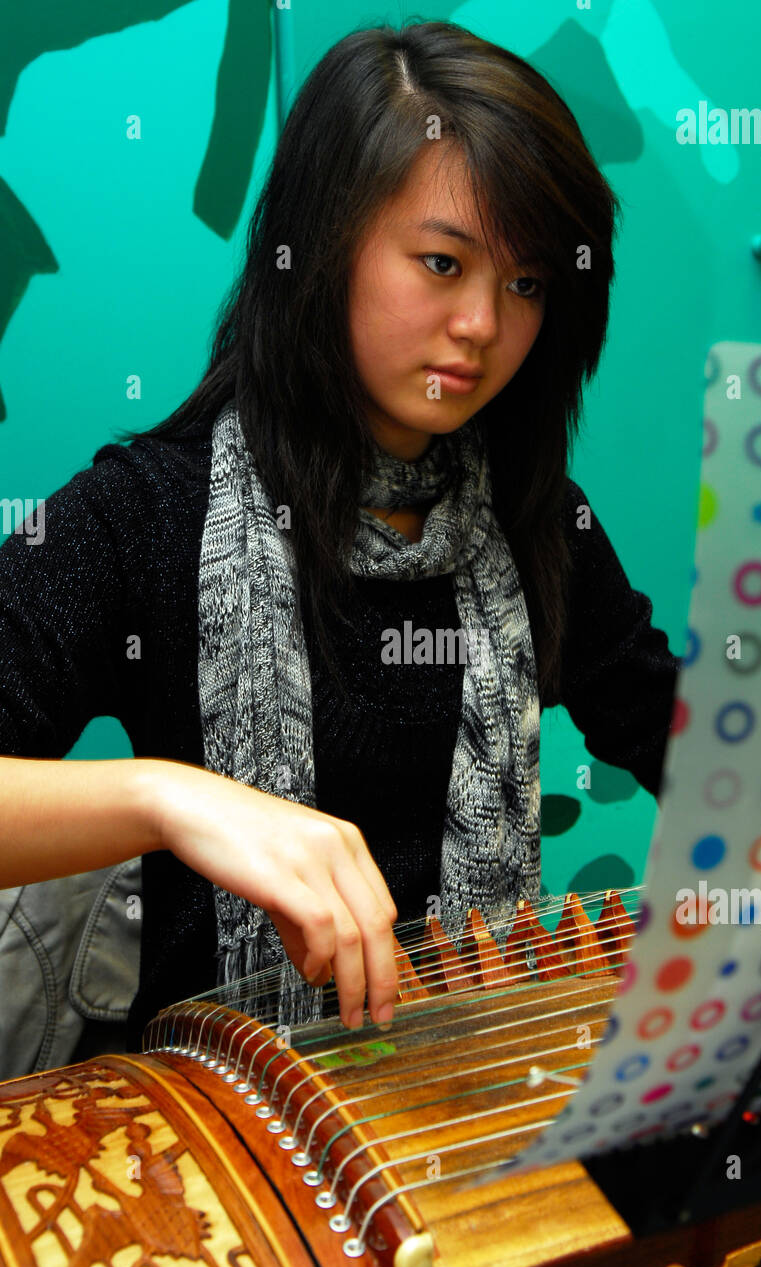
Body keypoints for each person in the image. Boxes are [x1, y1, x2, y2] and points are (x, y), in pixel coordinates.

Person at [0, 20, 679, 1049]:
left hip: (462, 1096)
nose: (485, 326)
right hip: (227, 1124)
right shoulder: (147, 513)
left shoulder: (538, 520)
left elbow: (704, 754)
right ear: (324, 246)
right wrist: (171, 801)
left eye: (527, 283)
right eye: (443, 263)